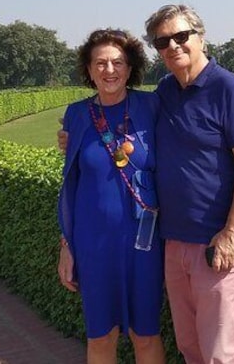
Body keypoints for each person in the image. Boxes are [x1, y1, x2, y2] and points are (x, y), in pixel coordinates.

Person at [144, 4, 234, 364]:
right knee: (192, 348)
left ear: (201, 37)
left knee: (222, 354)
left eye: (181, 36)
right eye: (163, 41)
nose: (173, 46)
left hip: (217, 243)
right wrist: (74, 132)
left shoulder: (228, 88)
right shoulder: (166, 91)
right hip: (175, 241)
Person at [57, 28, 165, 364]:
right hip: (94, 245)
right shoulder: (76, 115)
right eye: (100, 63)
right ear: (88, 70)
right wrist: (66, 246)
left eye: (118, 62)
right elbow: (70, 185)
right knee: (101, 335)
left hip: (144, 244)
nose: (109, 70)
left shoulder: (152, 106)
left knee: (145, 335)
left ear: (130, 68)